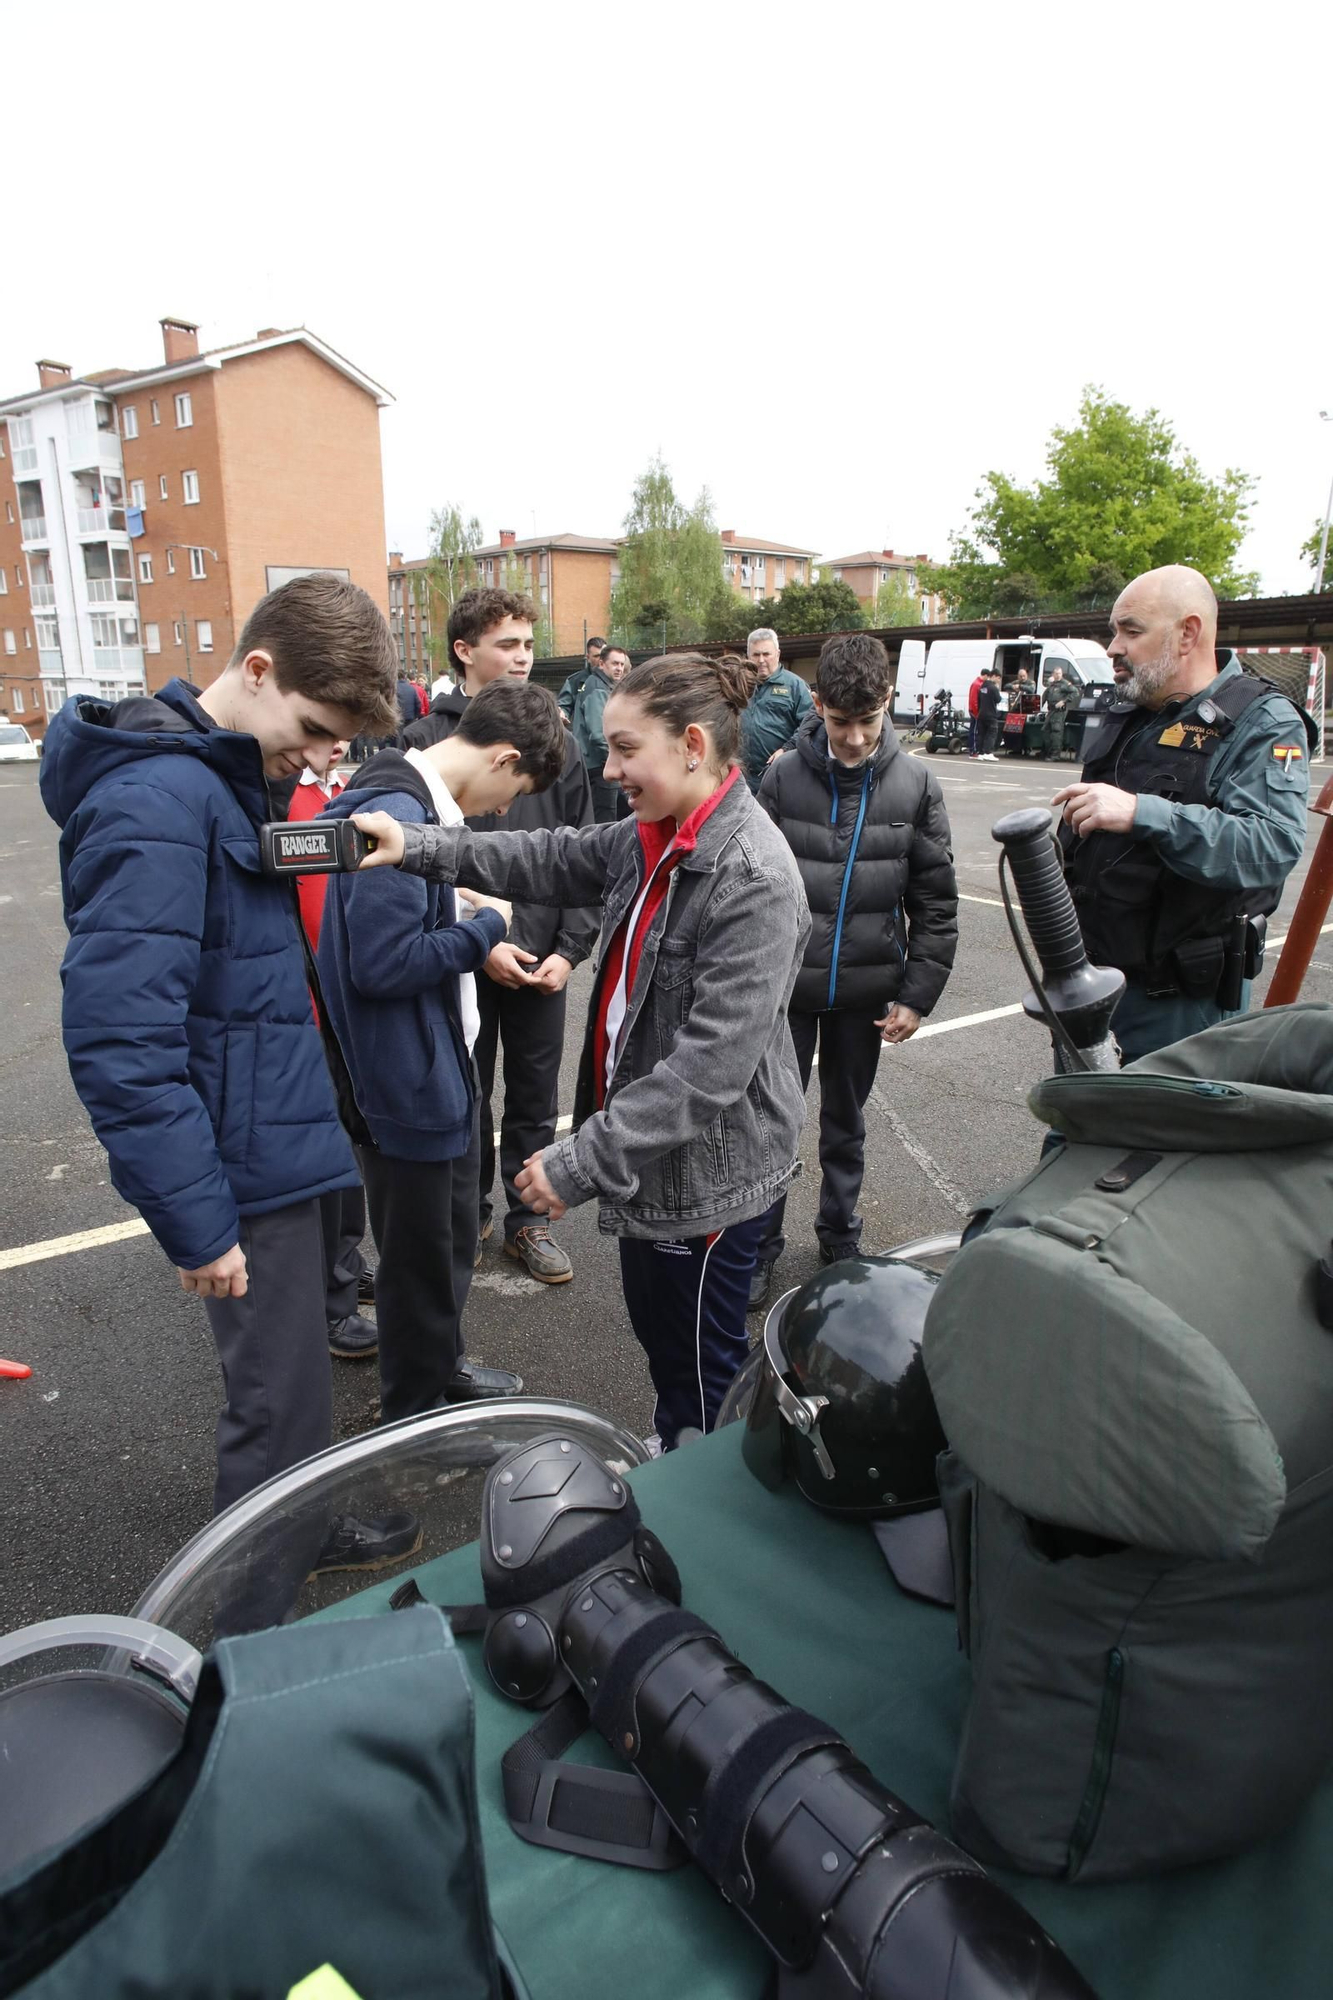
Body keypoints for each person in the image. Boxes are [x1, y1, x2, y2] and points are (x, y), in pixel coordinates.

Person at [350, 653, 810, 1453]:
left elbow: (710, 1067)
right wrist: (416, 843)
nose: (608, 768)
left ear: (692, 745)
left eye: (625, 749)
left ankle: (700, 1492)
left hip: (708, 1176)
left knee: (701, 1367)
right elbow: (547, 856)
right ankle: (682, 1450)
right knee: (671, 1353)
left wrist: (576, 1162)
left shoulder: (752, 876)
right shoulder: (652, 835)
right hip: (660, 1164)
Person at [40, 575, 400, 1521]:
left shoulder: (211, 776)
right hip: (238, 1165)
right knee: (274, 1404)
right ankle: (248, 1627)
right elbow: (120, 1038)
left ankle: (305, 1530)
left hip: (272, 1126)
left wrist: (345, 845)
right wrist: (197, 1219)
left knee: (295, 1390)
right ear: (257, 668)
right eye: (318, 727)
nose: (326, 756)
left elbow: (238, 865)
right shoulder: (158, 798)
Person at [319, 680, 568, 1420]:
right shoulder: (398, 812)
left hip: (429, 1064)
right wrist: (487, 925)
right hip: (407, 1078)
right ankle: (413, 1416)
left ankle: (439, 1367)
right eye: (514, 790)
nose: (502, 810)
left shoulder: (406, 803)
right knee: (422, 1257)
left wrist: (455, 905)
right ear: (503, 757)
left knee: (448, 1238)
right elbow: (383, 964)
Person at [749, 634, 958, 1306]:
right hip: (787, 992)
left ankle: (838, 1231)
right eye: (840, 722)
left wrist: (916, 993)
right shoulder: (781, 777)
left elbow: (934, 899)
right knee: (770, 1122)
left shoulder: (916, 783)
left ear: (886, 704)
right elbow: (747, 884)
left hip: (866, 991)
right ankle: (757, 1245)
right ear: (817, 705)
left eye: (867, 722)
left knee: (846, 1118)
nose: (853, 738)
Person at [404, 588, 596, 1283]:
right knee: (461, 1092)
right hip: (462, 960)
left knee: (535, 1096)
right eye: (507, 644)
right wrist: (477, 939)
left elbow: (585, 854)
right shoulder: (425, 744)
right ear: (465, 650)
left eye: (527, 644)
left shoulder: (560, 743)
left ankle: (528, 1221)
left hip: (544, 958)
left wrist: (571, 950)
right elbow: (415, 867)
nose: (522, 657)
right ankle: (468, 1214)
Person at [1055, 563, 1311, 1063]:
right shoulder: (1133, 715)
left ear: (1188, 633)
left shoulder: (1261, 722)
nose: (1114, 648)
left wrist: (1142, 813)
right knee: (1078, 1135)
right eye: (1114, 632)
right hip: (1094, 989)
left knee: (1161, 1140)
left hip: (1179, 1011)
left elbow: (1272, 844)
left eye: (1131, 631)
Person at [283, 751, 378, 1364]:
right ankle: (331, 1303)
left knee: (349, 1155)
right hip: (301, 1010)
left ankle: (343, 1265)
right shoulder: (278, 794)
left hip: (349, 1001)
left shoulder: (350, 787)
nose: (338, 743)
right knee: (322, 1164)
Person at [740, 628, 814, 791]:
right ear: (748, 657)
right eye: (755, 655)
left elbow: (810, 723)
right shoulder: (740, 686)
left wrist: (786, 749)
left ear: (778, 654)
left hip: (781, 775)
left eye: (766, 654)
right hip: (742, 779)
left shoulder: (795, 686)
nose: (761, 660)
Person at [572, 643, 632, 822]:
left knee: (621, 814)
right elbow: (598, 734)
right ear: (601, 664)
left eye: (621, 664)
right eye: (614, 664)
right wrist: (618, 763)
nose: (619, 668)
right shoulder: (597, 688)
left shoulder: (604, 686)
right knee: (606, 821)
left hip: (601, 764)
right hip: (601, 766)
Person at [558, 635, 606, 728]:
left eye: (603, 656)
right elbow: (564, 706)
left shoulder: (618, 680)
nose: (601, 660)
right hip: (583, 737)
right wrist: (561, 714)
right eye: (596, 656)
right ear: (588, 658)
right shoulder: (576, 681)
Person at [1042, 664, 1078, 760]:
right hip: (1051, 711)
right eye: (1056, 673)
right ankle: (1047, 752)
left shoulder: (1065, 684)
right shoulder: (1052, 684)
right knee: (1046, 731)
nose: (1058, 675)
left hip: (1059, 712)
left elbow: (1075, 692)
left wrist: (1064, 701)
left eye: (1059, 673)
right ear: (1053, 674)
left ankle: (1055, 755)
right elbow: (1046, 695)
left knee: (1056, 732)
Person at [975, 668, 1002, 758]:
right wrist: (997, 689)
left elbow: (978, 700)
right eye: (998, 678)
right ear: (993, 676)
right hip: (991, 714)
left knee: (982, 733)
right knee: (992, 732)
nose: (999, 681)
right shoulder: (993, 688)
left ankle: (980, 752)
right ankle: (988, 752)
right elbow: (998, 699)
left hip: (981, 713)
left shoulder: (982, 686)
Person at [967, 668, 984, 756]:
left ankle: (974, 749)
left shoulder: (977, 683)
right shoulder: (977, 684)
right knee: (974, 731)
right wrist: (976, 712)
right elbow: (974, 700)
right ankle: (973, 750)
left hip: (974, 710)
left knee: (974, 730)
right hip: (974, 711)